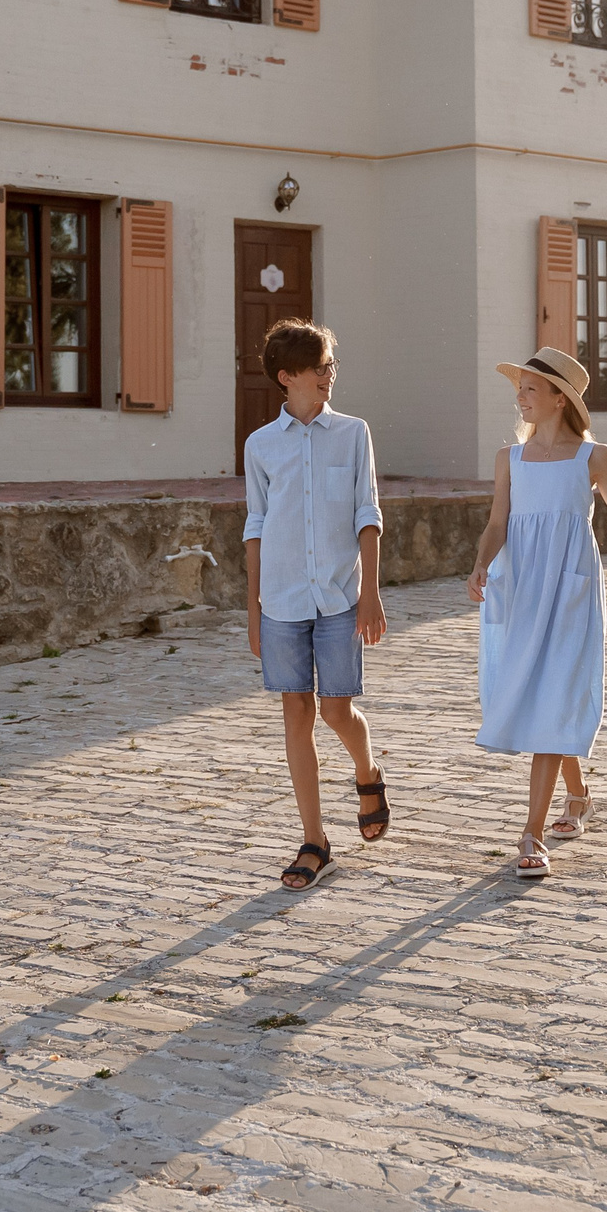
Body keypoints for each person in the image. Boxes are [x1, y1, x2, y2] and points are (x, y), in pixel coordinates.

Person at [467, 346, 607, 878]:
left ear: (558, 398)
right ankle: (579, 795)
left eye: (529, 389)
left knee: (555, 692)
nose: (519, 397)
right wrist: (480, 565)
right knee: (538, 694)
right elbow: (498, 522)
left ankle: (530, 834)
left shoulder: (594, 457)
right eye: (518, 388)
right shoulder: (510, 458)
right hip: (520, 585)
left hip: (571, 590)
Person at [243, 318, 391, 891]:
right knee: (296, 714)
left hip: (338, 596)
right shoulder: (260, 445)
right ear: (288, 377)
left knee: (335, 711)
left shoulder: (353, 433)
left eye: (331, 365)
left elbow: (367, 514)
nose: (331, 374)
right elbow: (255, 524)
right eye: (321, 366)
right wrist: (254, 607)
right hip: (280, 599)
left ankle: (367, 772)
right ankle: (315, 840)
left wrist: (371, 593)